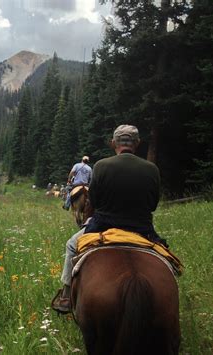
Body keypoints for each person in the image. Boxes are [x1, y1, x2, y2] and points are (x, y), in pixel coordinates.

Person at [52, 124, 164, 314]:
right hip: (142, 228)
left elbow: (93, 201)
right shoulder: (151, 168)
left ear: (113, 144)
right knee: (165, 257)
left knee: (72, 245)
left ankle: (66, 296)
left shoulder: (102, 166)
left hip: (104, 225)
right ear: (137, 144)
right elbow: (152, 205)